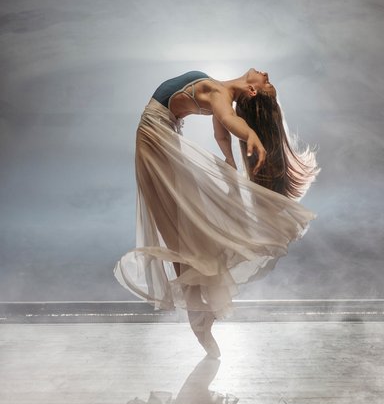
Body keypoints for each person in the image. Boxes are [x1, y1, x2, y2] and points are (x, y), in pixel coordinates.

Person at [114, 68, 320, 358]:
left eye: (267, 82)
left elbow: (226, 120)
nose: (266, 73)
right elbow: (221, 131)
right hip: (161, 138)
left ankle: (198, 312)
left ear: (252, 90)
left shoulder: (220, 94)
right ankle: (199, 310)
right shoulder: (221, 92)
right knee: (184, 227)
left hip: (154, 139)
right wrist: (228, 158)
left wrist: (249, 135)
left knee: (180, 228)